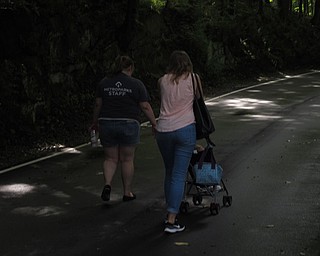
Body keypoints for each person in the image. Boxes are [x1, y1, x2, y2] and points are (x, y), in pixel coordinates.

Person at [92, 55, 157, 202]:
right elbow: (145, 106)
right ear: (130, 68)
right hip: (129, 123)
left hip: (107, 123)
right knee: (127, 159)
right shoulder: (136, 84)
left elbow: (98, 104)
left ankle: (108, 184)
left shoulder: (104, 82)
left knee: (110, 158)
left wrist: (95, 122)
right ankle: (127, 192)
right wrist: (154, 123)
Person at [155, 50, 203, 233]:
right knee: (179, 174)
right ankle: (171, 219)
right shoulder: (194, 78)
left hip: (164, 130)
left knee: (169, 172)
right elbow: (198, 99)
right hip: (185, 129)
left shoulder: (162, 80)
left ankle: (170, 211)